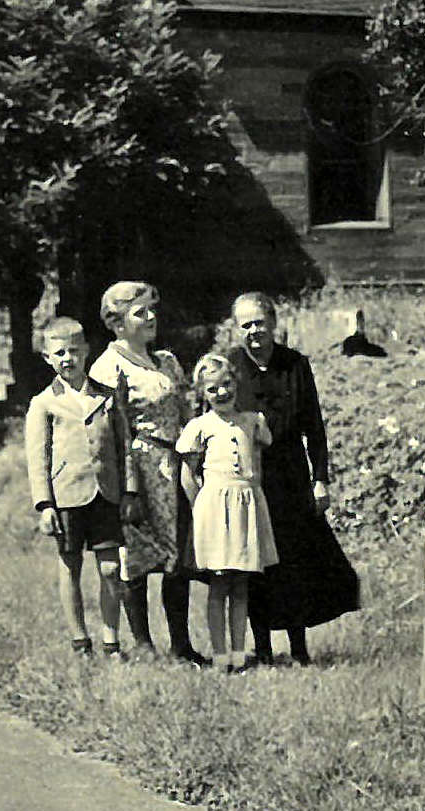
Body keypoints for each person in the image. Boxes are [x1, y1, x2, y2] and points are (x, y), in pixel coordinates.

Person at [228, 292, 360, 665]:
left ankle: (299, 648)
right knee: (255, 563)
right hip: (247, 477)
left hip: (290, 477)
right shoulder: (230, 366)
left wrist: (321, 479)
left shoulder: (295, 364)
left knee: (295, 560)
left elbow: (313, 427)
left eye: (260, 322)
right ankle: (263, 650)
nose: (254, 331)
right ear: (237, 329)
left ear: (273, 323)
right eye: (246, 324)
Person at [90, 281, 207, 665]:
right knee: (137, 556)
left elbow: (187, 413)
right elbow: (113, 433)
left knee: (178, 558)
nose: (151, 317)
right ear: (117, 322)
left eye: (152, 309)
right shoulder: (109, 368)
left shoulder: (168, 361)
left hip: (176, 468)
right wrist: (128, 488)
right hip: (137, 469)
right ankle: (142, 643)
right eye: (140, 312)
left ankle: (181, 644)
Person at [25, 317, 125, 658]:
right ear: (47, 358)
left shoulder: (107, 397)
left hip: (106, 493)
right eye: (59, 353)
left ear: (86, 352)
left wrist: (128, 491)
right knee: (70, 565)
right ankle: (80, 641)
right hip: (67, 495)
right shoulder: (43, 403)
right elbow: (37, 457)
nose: (67, 359)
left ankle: (111, 641)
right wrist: (44, 504)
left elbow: (122, 448)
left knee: (111, 568)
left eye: (73, 351)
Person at [177, 353, 278, 673]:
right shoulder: (200, 427)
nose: (221, 393)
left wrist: (254, 495)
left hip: (246, 504)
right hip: (214, 509)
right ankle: (219, 654)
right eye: (212, 389)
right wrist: (201, 510)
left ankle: (238, 652)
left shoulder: (252, 421)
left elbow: (257, 461)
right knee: (219, 581)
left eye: (226, 385)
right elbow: (187, 475)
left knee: (241, 582)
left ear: (236, 384)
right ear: (202, 394)